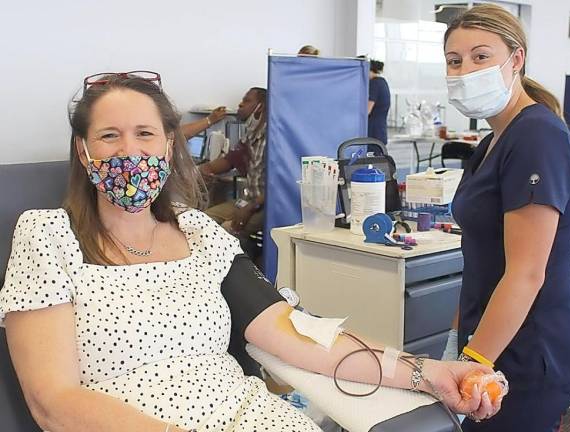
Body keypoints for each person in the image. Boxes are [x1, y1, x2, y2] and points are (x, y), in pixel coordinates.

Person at [0, 72, 500, 432]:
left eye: (145, 133)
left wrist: (426, 371)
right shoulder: (48, 237)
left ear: (169, 145)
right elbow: (53, 401)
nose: (129, 151)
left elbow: (298, 334)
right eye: (109, 136)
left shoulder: (200, 234)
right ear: (84, 152)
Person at [440, 4, 570, 431]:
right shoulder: (492, 142)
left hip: (530, 351)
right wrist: (457, 340)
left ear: (516, 59)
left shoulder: (536, 136)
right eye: (454, 60)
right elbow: (481, 259)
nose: (465, 70)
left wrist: (475, 363)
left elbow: (526, 273)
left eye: (480, 56)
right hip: (491, 335)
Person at [199, 87, 266, 244]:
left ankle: (247, 263)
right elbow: (230, 160)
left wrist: (249, 208)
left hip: (265, 205)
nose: (240, 104)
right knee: (202, 220)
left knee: (225, 230)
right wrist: (201, 171)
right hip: (248, 199)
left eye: (247, 101)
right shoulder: (251, 134)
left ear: (260, 107)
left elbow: (278, 185)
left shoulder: (272, 137)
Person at [367, 59, 391, 145]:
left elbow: (367, 111)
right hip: (379, 132)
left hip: (373, 133)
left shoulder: (374, 84)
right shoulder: (382, 82)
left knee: (372, 157)